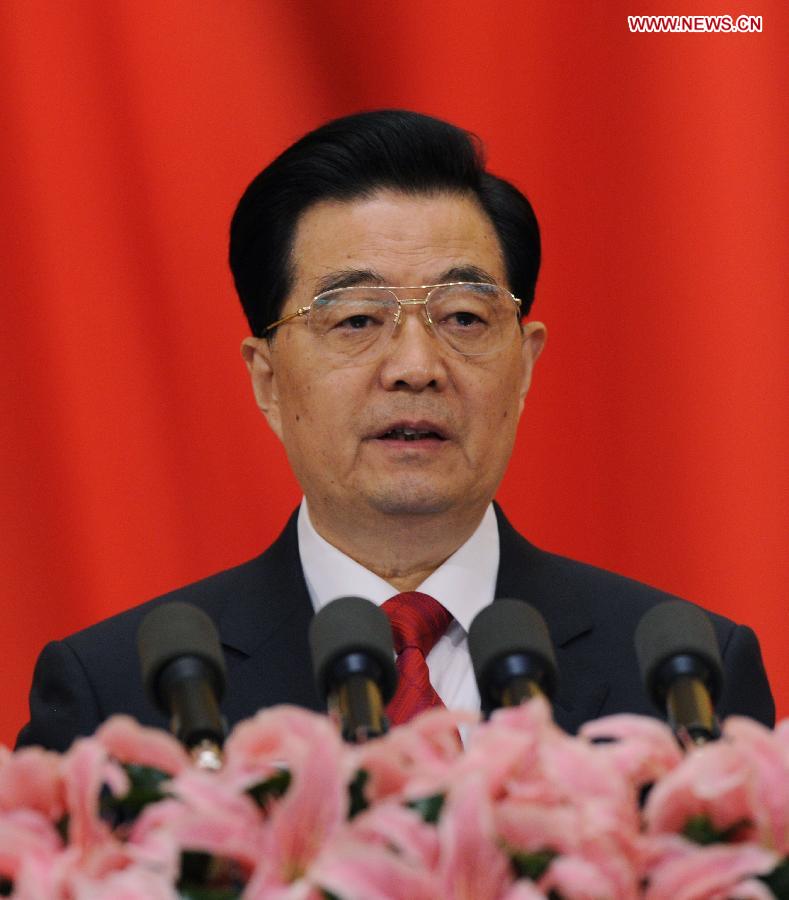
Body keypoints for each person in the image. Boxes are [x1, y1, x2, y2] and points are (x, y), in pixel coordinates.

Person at [17, 110, 774, 752]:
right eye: (355, 320)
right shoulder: (117, 696)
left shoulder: (687, 678)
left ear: (525, 363)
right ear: (266, 379)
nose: (416, 366)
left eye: (464, 318)